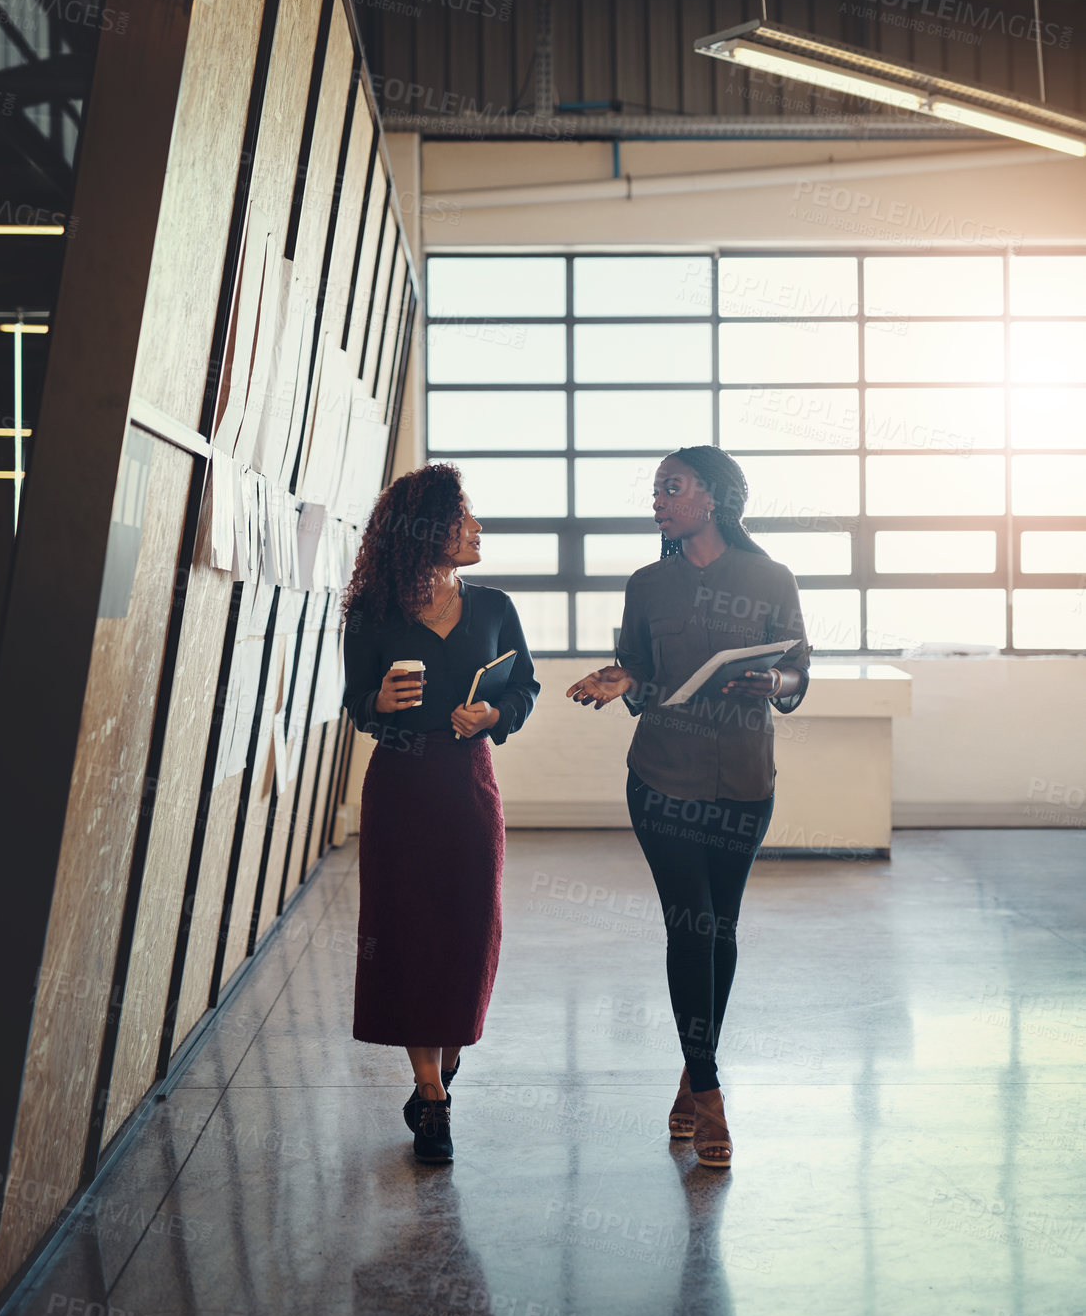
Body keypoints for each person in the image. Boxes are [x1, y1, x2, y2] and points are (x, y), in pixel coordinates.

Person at [566, 445, 810, 1168]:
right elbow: (640, 668)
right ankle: (708, 1093)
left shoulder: (770, 577)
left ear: (713, 497)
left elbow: (800, 669)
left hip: (743, 779)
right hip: (662, 778)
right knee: (690, 924)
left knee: (722, 929)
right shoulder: (647, 584)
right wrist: (621, 682)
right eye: (655, 490)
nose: (658, 501)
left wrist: (774, 678)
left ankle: (688, 1067)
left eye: (670, 487)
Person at [342, 462, 539, 1163]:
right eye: (465, 516)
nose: (477, 527)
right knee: (405, 934)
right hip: (399, 784)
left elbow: (525, 687)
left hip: (468, 785)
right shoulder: (373, 611)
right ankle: (429, 1095)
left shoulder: (493, 608)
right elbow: (354, 697)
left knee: (467, 927)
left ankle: (446, 1069)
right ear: (428, 528)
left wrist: (494, 712)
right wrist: (377, 705)